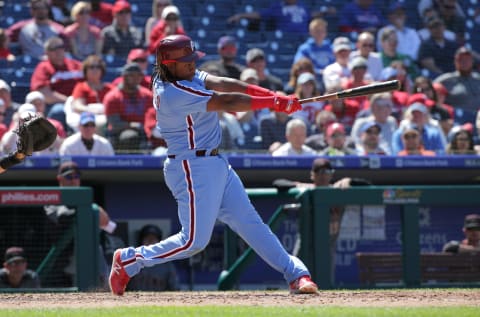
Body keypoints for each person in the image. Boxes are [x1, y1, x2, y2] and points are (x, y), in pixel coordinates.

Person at [108, 34, 318, 296]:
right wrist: (275, 104)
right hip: (191, 167)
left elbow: (225, 83)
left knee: (252, 224)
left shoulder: (182, 75)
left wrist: (273, 96)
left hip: (214, 163)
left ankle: (297, 275)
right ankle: (130, 260)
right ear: (168, 63)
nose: (192, 64)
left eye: (192, 58)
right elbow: (227, 101)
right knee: (193, 242)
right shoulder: (172, 92)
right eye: (185, 61)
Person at [273, 158, 372, 285]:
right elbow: (278, 183)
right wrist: (297, 186)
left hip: (328, 245)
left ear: (331, 174)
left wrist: (350, 181)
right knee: (296, 279)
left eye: (326, 171)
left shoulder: (339, 190)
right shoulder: (307, 190)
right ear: (312, 174)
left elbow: (369, 185)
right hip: (305, 244)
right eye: (319, 172)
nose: (323, 175)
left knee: (325, 283)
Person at [45, 161, 120, 287]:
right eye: (69, 177)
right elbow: (63, 217)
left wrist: (91, 206)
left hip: (94, 261)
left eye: (76, 177)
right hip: (64, 265)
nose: (74, 180)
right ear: (60, 179)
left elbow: (107, 224)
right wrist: (87, 208)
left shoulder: (88, 203)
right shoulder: (53, 201)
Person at [30, 36, 83, 131]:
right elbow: (45, 94)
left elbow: (90, 83)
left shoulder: (76, 65)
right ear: (46, 52)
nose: (58, 51)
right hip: (58, 104)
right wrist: (69, 101)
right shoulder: (44, 67)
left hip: (79, 102)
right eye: (53, 49)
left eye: (61, 47)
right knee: (59, 111)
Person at [103, 62, 153, 153]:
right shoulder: (113, 97)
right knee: (130, 136)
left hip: (145, 130)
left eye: (139, 76)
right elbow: (115, 124)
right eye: (132, 76)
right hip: (120, 134)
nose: (136, 79)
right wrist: (133, 125)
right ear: (124, 77)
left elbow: (154, 115)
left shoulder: (147, 95)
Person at [67, 54, 114, 134]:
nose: (95, 70)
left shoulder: (110, 88)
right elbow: (77, 106)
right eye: (92, 67)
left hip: (109, 118)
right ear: (86, 70)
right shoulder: (81, 87)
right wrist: (94, 111)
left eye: (98, 67)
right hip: (90, 119)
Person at [434, 46, 480, 125]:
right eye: (461, 59)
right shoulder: (446, 80)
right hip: (456, 121)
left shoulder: (478, 79)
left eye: (467, 59)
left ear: (472, 61)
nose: (465, 62)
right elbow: (431, 95)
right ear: (456, 61)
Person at [127, 224, 180, 291]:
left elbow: (175, 290)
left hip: (159, 300)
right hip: (134, 300)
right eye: (147, 238)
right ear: (141, 241)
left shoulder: (167, 265)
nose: (150, 242)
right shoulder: (131, 263)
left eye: (153, 239)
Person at [227, 0, 310, 34]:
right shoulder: (278, 7)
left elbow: (311, 15)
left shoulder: (302, 6)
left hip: (302, 37)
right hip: (286, 41)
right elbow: (260, 15)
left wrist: (323, 12)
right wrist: (241, 15)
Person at [293, 17, 335, 82]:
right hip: (312, 80)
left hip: (330, 78)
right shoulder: (304, 49)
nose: (320, 34)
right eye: (317, 31)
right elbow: (299, 65)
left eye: (322, 31)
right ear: (311, 32)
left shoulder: (330, 47)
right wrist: (319, 71)